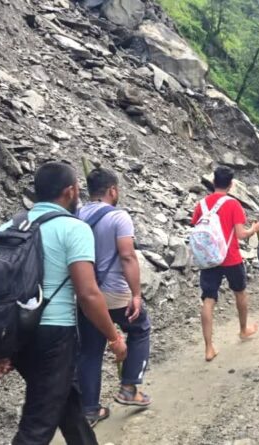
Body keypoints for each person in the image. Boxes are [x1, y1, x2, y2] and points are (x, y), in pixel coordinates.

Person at [0, 161, 127, 445]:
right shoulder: (73, 228)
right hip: (53, 335)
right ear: (70, 191)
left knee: (67, 402)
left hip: (17, 331)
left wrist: (2, 347)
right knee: (37, 425)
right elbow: (88, 294)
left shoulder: (11, 226)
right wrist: (113, 338)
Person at [76, 168, 151, 427]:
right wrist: (136, 294)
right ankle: (129, 388)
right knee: (140, 328)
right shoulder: (119, 217)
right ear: (112, 190)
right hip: (115, 293)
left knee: (90, 350)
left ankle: (90, 410)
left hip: (87, 295)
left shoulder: (76, 215)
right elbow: (127, 256)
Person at [192, 166, 259, 361]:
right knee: (240, 292)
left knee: (208, 299)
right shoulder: (233, 204)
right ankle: (243, 330)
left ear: (214, 182)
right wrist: (254, 229)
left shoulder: (202, 204)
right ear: (231, 185)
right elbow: (240, 234)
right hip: (230, 256)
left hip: (209, 258)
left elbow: (196, 226)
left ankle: (209, 348)